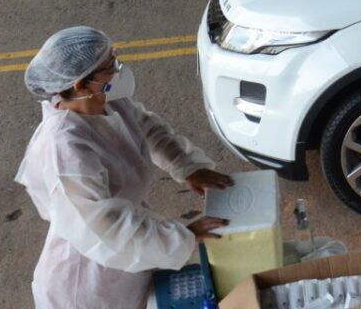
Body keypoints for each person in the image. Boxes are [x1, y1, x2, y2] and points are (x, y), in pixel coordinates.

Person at [15, 26, 235, 309]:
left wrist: (187, 165)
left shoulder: (105, 100)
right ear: (80, 84)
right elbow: (104, 230)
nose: (118, 71)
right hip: (86, 286)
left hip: (129, 261)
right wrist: (182, 239)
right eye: (110, 66)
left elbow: (145, 127)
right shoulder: (65, 149)